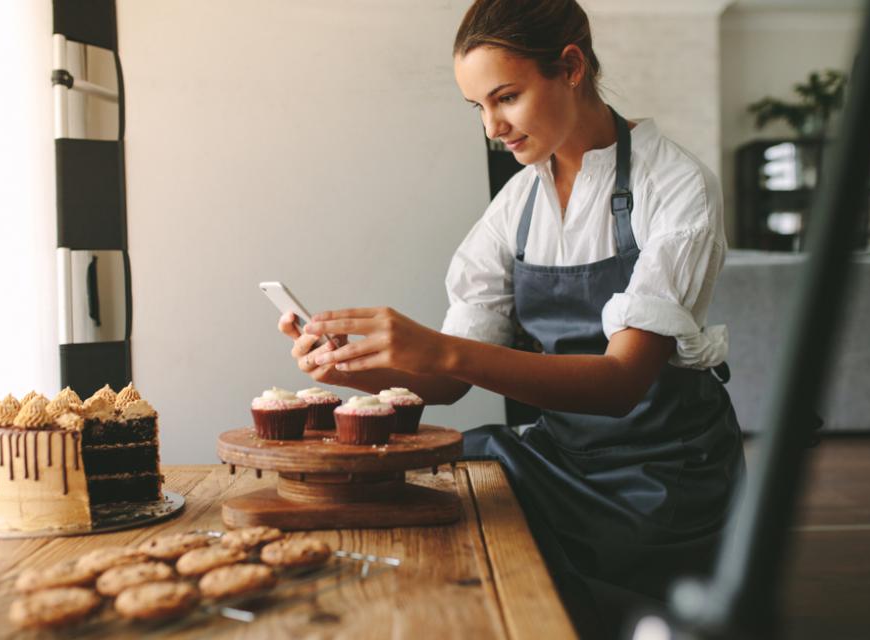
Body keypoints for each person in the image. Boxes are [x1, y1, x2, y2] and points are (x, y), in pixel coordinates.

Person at [278, 0, 743, 635]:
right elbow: (447, 384)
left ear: (571, 67)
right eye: (479, 108)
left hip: (661, 478)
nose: (492, 127)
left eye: (507, 97)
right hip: (561, 458)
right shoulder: (518, 204)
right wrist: (349, 367)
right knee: (426, 499)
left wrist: (436, 349)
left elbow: (620, 384)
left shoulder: (677, 186)